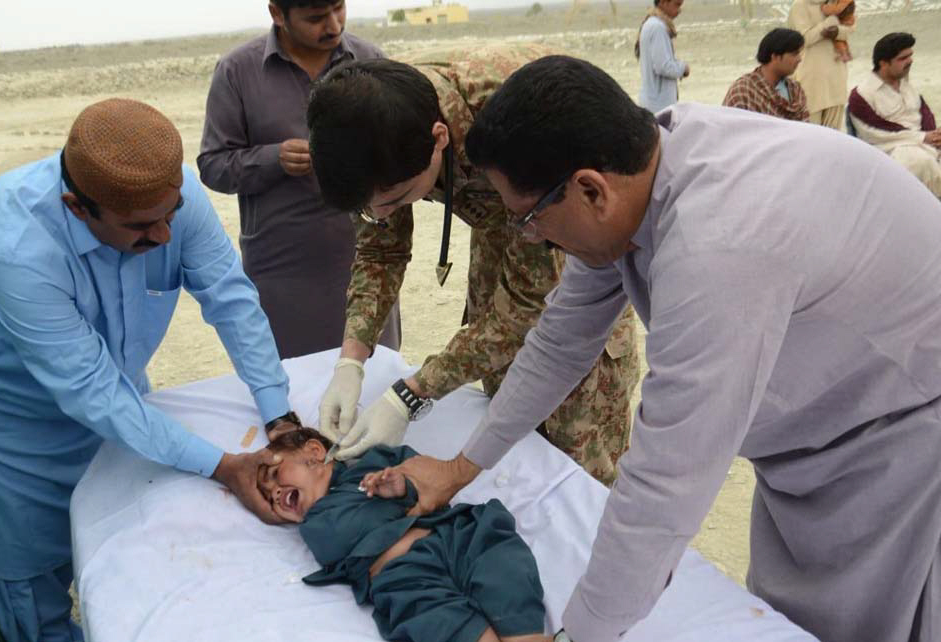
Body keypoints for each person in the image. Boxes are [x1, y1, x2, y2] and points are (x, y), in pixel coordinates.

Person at [393, 56, 941, 642]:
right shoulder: (645, 173)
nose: (533, 237)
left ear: (588, 189)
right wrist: (459, 468)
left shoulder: (720, 243)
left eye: (529, 221)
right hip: (817, 438)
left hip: (896, 438)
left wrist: (580, 635)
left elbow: (667, 479)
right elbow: (558, 342)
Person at [0, 98, 302, 642]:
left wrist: (278, 413)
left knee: (129, 544)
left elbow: (231, 299)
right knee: (31, 576)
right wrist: (222, 464)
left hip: (123, 400)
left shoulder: (174, 194)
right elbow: (89, 389)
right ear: (76, 207)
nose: (163, 237)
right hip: (13, 425)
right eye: (141, 227)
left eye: (171, 214)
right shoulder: (14, 244)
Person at [306, 45, 641, 486]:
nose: (382, 217)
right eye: (371, 209)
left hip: (575, 251)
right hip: (499, 250)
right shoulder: (371, 131)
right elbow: (380, 251)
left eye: (394, 200)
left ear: (440, 139)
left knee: (577, 471)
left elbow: (528, 303)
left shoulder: (512, 124)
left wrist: (412, 393)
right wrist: (351, 359)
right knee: (505, 449)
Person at [198, 0, 400, 359]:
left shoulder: (370, 61)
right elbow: (213, 165)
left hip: (365, 256)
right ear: (278, 14)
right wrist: (272, 159)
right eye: (316, 18)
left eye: (339, 8)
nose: (334, 25)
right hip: (282, 268)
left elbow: (402, 143)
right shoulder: (237, 71)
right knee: (293, 389)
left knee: (373, 377)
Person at [259, 428, 551, 642]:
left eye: (275, 475)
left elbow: (427, 477)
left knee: (504, 570)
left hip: (457, 535)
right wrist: (395, 502)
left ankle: (525, 636)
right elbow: (339, 536)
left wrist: (404, 487)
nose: (274, 493)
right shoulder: (316, 523)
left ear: (314, 452)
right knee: (442, 625)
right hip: (404, 576)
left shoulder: (375, 461)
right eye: (268, 497)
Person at [849, 32, 940, 197]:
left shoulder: (905, 83)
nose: (910, 61)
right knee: (921, 162)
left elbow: (924, 114)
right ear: (883, 63)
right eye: (903, 58)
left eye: (910, 56)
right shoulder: (862, 94)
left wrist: (934, 136)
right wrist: (922, 137)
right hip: (891, 149)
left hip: (922, 143)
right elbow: (874, 133)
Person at [788, 0, 853, 129]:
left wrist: (837, 31)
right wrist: (830, 21)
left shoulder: (838, 2)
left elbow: (849, 27)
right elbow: (804, 39)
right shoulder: (800, 6)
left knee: (833, 137)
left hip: (836, 78)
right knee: (811, 134)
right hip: (812, 79)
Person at [722, 28, 809, 121]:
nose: (799, 59)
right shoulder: (744, 90)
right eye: (794, 54)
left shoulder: (795, 90)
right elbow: (733, 129)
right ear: (775, 56)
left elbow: (805, 129)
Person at [635, 0, 689, 113]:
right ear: (663, 3)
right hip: (659, 105)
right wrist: (683, 68)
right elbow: (663, 66)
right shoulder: (657, 27)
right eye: (677, 4)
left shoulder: (653, 24)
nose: (679, 10)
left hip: (654, 102)